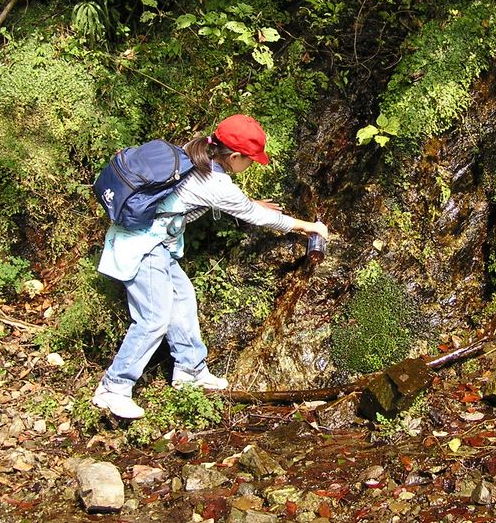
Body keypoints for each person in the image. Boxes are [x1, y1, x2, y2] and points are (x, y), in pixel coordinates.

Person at [92, 114, 328, 419]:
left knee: (183, 299)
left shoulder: (198, 149)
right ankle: (114, 388)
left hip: (156, 243)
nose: (252, 165)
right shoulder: (216, 182)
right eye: (251, 160)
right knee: (154, 318)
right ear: (234, 156)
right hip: (142, 246)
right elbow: (250, 213)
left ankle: (190, 371)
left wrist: (249, 201)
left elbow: (210, 192)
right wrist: (308, 226)